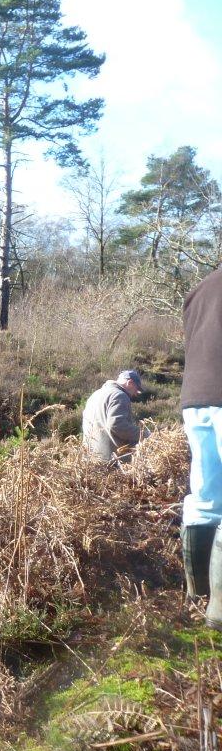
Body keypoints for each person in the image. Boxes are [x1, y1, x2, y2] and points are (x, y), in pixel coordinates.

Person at [180, 268, 222, 625]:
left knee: (205, 496)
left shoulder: (200, 288)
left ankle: (198, 595)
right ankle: (220, 611)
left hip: (195, 400)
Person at [81, 370, 143, 463]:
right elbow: (118, 425)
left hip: (90, 459)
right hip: (109, 461)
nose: (135, 394)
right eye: (136, 389)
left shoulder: (95, 394)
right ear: (130, 382)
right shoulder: (120, 395)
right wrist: (144, 434)